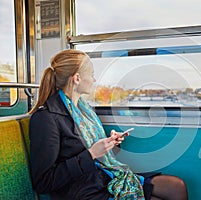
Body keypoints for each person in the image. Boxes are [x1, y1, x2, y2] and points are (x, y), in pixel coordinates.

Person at [29, 49, 188, 200]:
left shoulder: (85, 111)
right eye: (91, 75)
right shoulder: (45, 118)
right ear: (77, 78)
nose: (94, 80)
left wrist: (109, 144)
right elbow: (44, 182)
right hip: (80, 190)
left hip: (102, 176)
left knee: (176, 187)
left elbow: (90, 150)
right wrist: (91, 154)